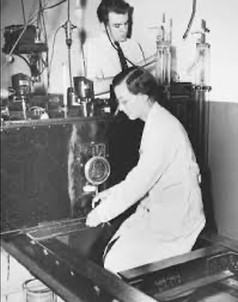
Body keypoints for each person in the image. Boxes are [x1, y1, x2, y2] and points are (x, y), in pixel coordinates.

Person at [86, 67, 206, 274]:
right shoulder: (155, 122)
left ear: (142, 96)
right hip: (162, 211)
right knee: (114, 248)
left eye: (124, 101)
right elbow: (142, 174)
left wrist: (100, 214)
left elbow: (140, 183)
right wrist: (111, 193)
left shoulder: (162, 128)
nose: (120, 109)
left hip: (178, 221)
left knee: (116, 263)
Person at [84, 0, 145, 98]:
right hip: (107, 110)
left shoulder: (133, 46)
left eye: (126, 23)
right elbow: (93, 87)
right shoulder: (93, 46)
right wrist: (125, 80)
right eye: (117, 26)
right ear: (103, 26)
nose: (124, 30)